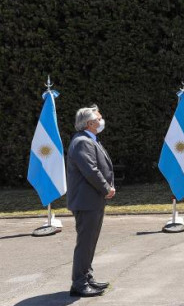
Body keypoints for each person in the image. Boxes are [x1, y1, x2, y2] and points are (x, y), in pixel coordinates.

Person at [66, 105, 114, 297]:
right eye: (98, 118)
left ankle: (86, 278)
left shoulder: (89, 140)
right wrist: (106, 188)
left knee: (90, 242)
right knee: (85, 243)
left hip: (92, 200)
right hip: (87, 201)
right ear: (89, 123)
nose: (101, 121)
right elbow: (91, 170)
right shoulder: (82, 142)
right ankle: (78, 284)